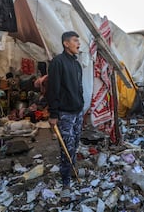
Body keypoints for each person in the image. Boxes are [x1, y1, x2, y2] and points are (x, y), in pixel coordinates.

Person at [47, 31, 84, 203]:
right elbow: (52, 89)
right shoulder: (57, 62)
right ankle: (66, 184)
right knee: (66, 149)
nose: (78, 43)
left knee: (75, 144)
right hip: (64, 114)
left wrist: (82, 104)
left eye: (78, 40)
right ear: (65, 43)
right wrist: (53, 114)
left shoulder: (76, 64)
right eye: (75, 41)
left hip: (78, 112)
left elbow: (79, 87)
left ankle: (73, 169)